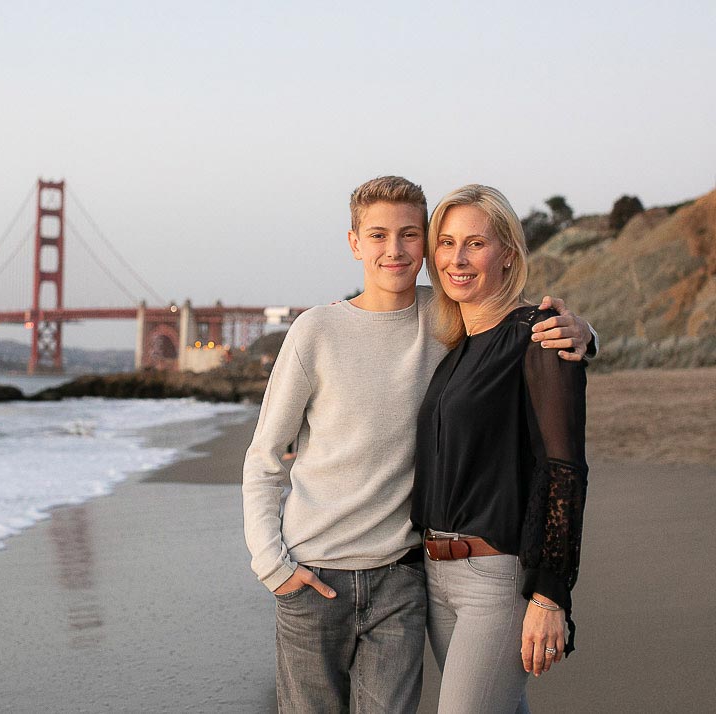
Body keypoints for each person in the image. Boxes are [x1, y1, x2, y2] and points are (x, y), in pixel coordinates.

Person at [243, 177, 596, 713]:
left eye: (410, 234)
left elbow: (560, 453)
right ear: (354, 242)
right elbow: (265, 457)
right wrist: (273, 564)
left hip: (410, 579)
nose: (395, 249)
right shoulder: (334, 330)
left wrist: (584, 333)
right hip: (334, 576)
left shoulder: (464, 319)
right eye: (378, 235)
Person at [412, 184, 590, 713]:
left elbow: (564, 471)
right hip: (435, 576)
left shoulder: (537, 336)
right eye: (445, 243)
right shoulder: (453, 350)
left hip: (496, 581)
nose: (457, 259)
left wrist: (549, 593)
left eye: (474, 243)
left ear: (508, 253)